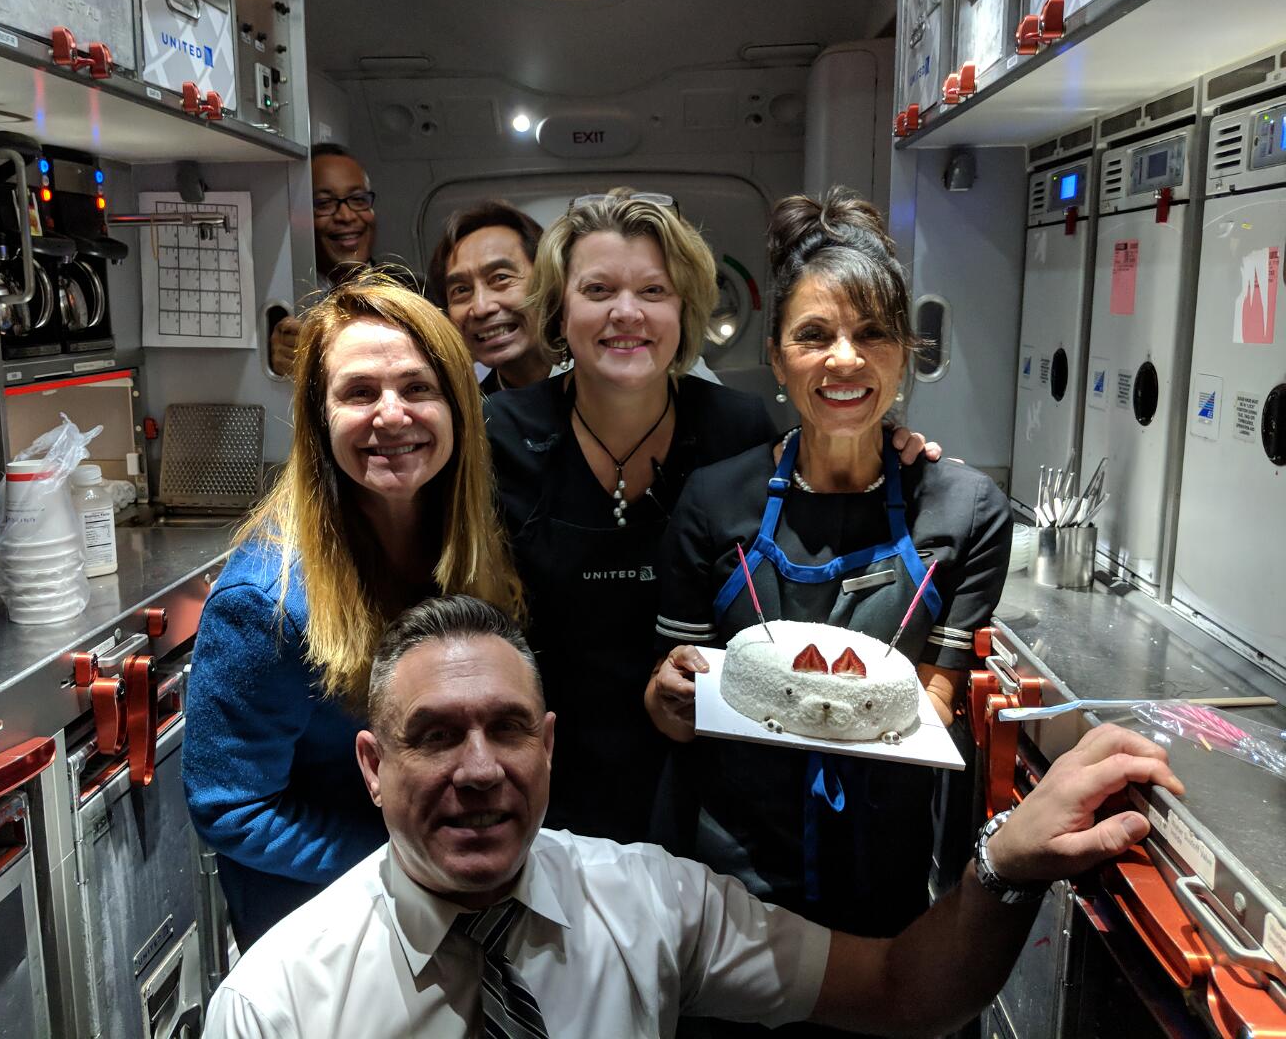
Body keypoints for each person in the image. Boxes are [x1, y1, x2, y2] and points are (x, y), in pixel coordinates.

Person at [202, 595, 1185, 1039]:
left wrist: (1006, 865)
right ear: (373, 768)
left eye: (508, 729)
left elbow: (903, 991)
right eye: (434, 737)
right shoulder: (274, 1007)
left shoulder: (649, 903)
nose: (480, 770)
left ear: (549, 747)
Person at [486, 190, 936, 843]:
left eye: (653, 290)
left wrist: (898, 454)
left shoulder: (738, 427)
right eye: (598, 289)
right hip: (545, 764)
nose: (627, 312)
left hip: (706, 767)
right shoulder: (499, 434)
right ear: (559, 308)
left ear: (684, 309)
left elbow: (828, 497)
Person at [647, 188, 1013, 958]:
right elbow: (672, 703)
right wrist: (669, 695)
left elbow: (936, 699)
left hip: (887, 876)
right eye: (814, 336)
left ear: (905, 354)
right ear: (777, 358)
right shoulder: (714, 500)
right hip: (730, 876)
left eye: (872, 333)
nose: (845, 358)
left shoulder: (967, 510)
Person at [184, 275, 525, 950]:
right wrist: (408, 861)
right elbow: (232, 808)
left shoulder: (470, 545)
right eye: (360, 393)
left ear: (459, 407)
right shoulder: (266, 602)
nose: (391, 416)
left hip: (445, 905)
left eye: (418, 388)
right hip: (329, 928)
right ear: (319, 419)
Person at [268, 143, 379, 377]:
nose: (346, 216)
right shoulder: (275, 312)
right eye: (324, 204)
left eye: (358, 199)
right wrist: (274, 368)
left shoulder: (416, 292)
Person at [427, 199, 553, 393]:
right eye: (461, 290)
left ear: (548, 281)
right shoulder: (473, 409)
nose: (481, 308)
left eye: (500, 278)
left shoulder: (597, 379)